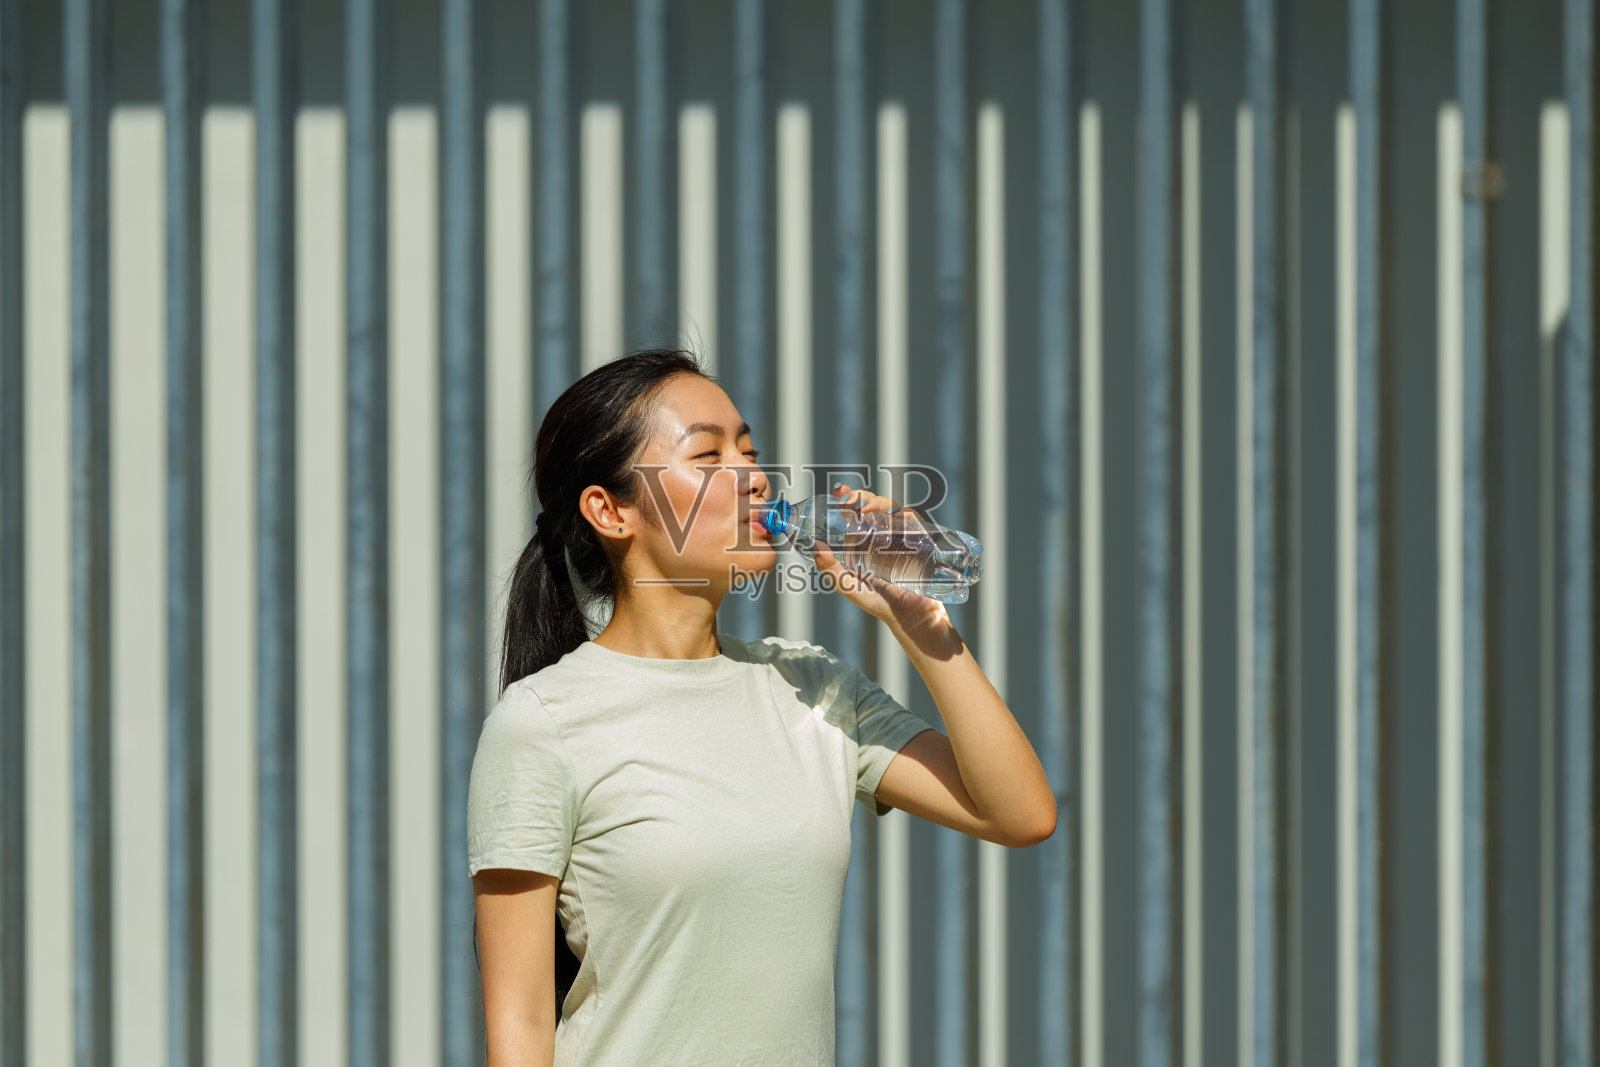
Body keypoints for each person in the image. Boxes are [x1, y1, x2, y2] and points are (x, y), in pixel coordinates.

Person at [468, 348, 1056, 1066]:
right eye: (708, 457)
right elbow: (521, 1029)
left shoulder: (812, 688)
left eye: (749, 450)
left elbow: (1020, 812)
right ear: (611, 510)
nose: (752, 478)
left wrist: (918, 620)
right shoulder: (544, 722)